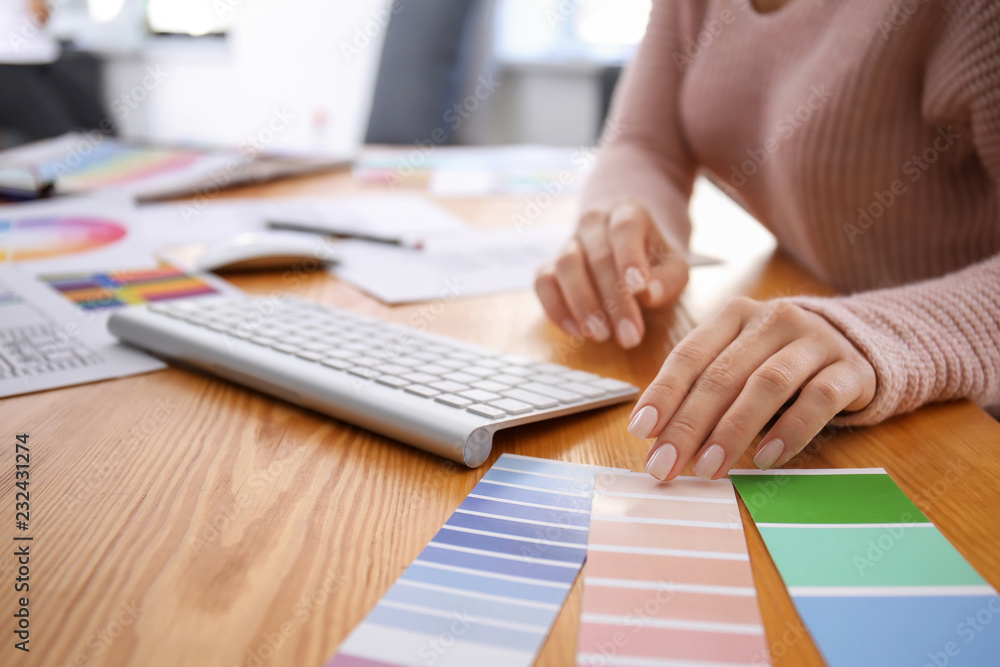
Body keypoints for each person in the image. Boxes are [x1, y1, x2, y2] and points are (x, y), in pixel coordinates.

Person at [534, 0, 1000, 482]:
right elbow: (643, 143)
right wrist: (627, 224)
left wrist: (883, 333)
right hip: (828, 338)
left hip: (969, 409)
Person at [0, 0, 110, 143]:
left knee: (102, 126)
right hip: (8, 66)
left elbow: (42, 17)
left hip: (44, 60)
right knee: (64, 140)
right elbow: (40, 15)